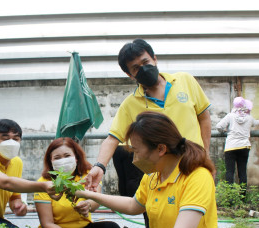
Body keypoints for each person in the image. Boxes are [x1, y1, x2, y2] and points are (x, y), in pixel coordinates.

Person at [76, 112, 225, 228]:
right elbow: (133, 205)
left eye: (137, 151)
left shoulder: (196, 176)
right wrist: (90, 195)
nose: (134, 158)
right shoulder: (153, 176)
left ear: (161, 149)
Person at [87, 38, 212, 197]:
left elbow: (204, 118)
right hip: (160, 178)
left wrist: (206, 154)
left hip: (194, 168)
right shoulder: (130, 104)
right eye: (136, 68)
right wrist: (99, 166)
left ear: (154, 58)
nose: (143, 69)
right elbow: (113, 138)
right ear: (130, 75)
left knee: (198, 216)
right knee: (159, 219)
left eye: (145, 61)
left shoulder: (185, 81)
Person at [34, 137, 121, 228]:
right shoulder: (45, 183)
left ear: (76, 157)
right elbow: (47, 224)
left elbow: (96, 200)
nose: (63, 161)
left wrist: (88, 205)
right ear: (50, 161)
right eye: (57, 158)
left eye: (67, 155)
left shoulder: (88, 175)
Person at [216, 97, 259, 192]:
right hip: (244, 146)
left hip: (231, 147)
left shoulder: (230, 116)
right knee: (242, 172)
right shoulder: (249, 118)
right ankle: (242, 196)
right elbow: (256, 122)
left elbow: (218, 126)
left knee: (230, 172)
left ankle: (230, 196)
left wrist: (224, 130)